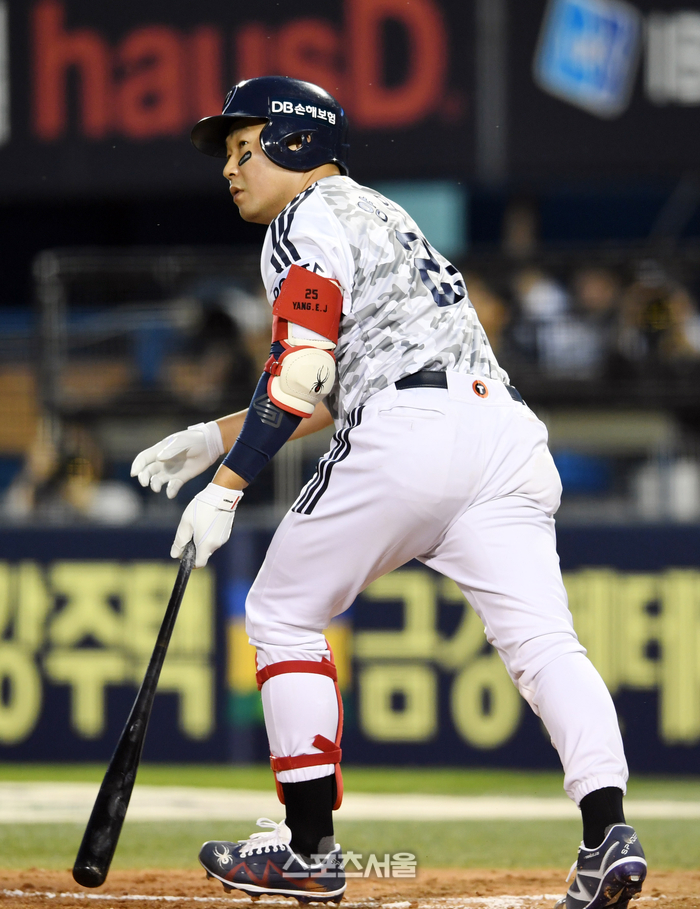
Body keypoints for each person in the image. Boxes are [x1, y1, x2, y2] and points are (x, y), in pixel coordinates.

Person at [130, 77, 647, 909]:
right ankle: (608, 832)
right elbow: (332, 382)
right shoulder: (382, 213)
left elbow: (304, 369)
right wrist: (212, 439)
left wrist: (227, 488)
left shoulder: (304, 219)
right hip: (505, 434)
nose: (229, 168)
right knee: (545, 642)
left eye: (244, 148)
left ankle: (308, 850)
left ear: (295, 143)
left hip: (412, 431)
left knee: (280, 612)